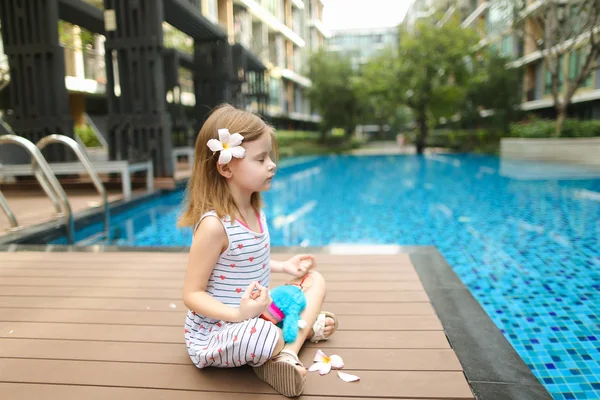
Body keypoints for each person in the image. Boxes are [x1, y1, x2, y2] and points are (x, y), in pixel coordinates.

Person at [178, 104, 338, 397]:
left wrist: (284, 267)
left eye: (270, 157)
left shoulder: (254, 209)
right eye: (261, 159)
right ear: (226, 167)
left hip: (256, 313)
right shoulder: (214, 226)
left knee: (315, 281)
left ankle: (284, 353)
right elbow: (191, 294)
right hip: (220, 330)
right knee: (263, 335)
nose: (272, 165)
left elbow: (247, 260)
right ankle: (295, 339)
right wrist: (238, 314)